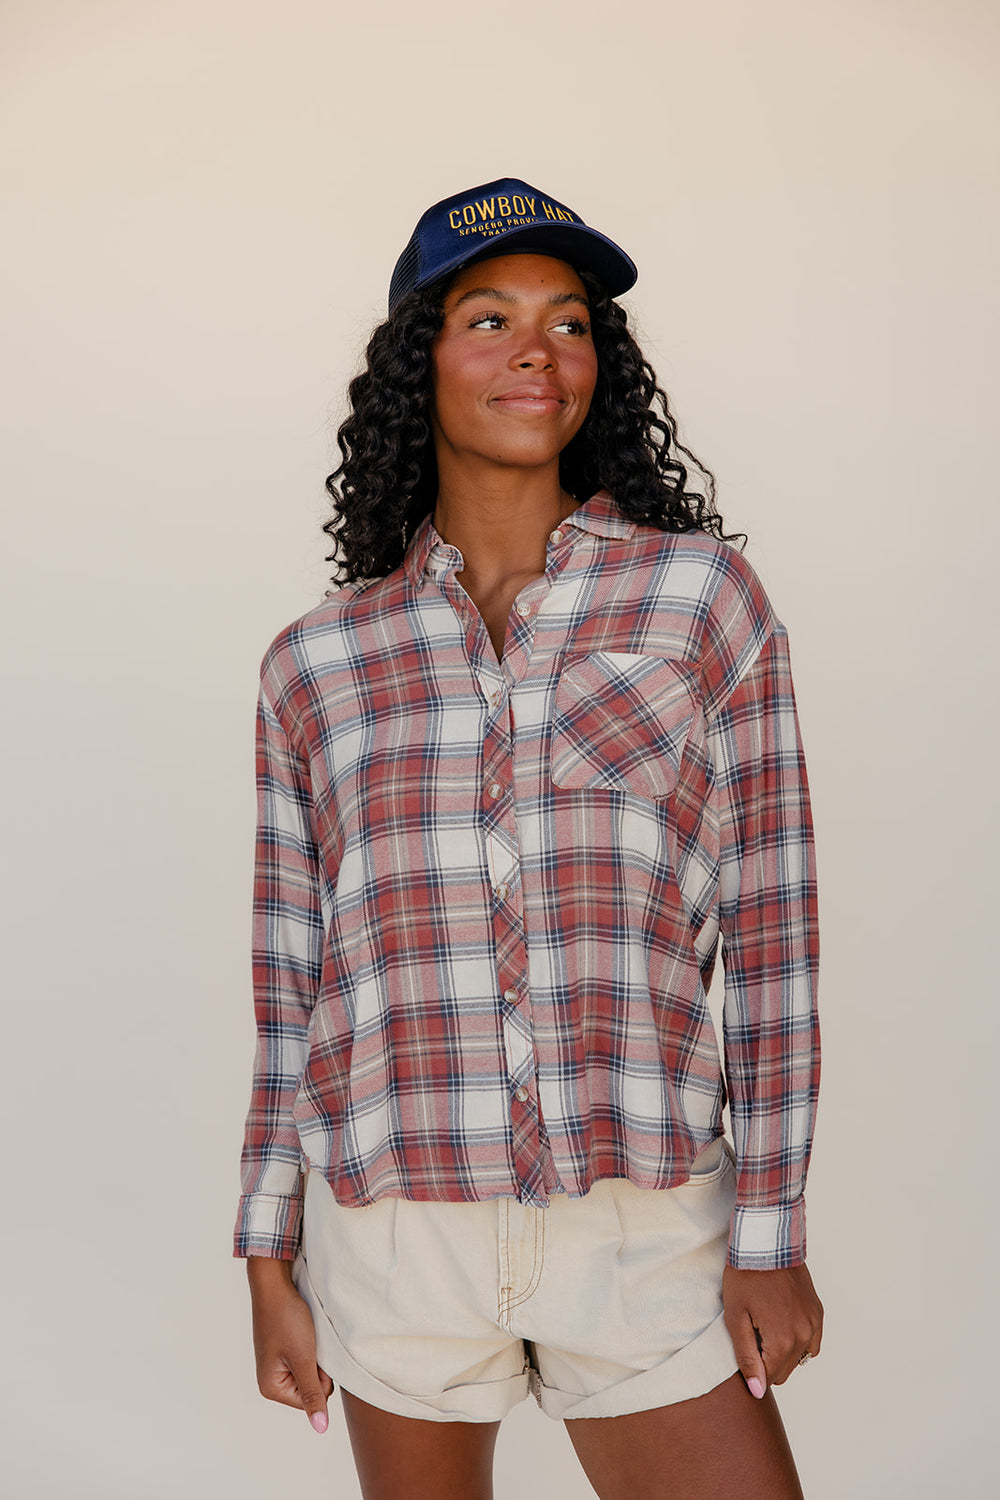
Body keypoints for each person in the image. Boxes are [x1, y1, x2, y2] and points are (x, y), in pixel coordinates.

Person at [233, 177, 823, 1500]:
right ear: (418, 365)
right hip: (399, 1238)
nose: (535, 351)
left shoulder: (697, 599)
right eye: (488, 318)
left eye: (568, 322)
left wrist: (773, 1231)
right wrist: (267, 1255)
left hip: (643, 1226)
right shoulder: (319, 663)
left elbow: (774, 931)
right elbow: (295, 986)